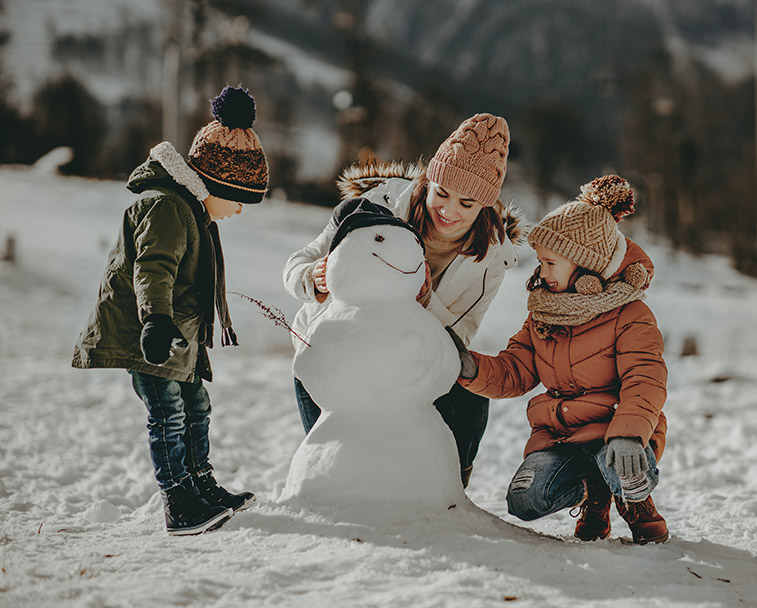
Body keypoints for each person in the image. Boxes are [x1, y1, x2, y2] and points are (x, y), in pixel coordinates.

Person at [283, 113, 525, 488]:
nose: (449, 211)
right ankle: (328, 482)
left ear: (485, 207)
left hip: (413, 352)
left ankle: (447, 487)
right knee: (336, 448)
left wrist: (424, 297)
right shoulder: (378, 204)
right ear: (427, 181)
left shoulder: (490, 258)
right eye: (441, 193)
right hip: (337, 340)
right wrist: (314, 276)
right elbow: (299, 261)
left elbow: (458, 336)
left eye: (467, 203)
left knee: (471, 394)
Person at [72, 86, 266, 536]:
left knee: (196, 405)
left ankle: (201, 485)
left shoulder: (191, 210)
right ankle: (178, 500)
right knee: (168, 413)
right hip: (152, 335)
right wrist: (156, 320)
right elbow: (153, 269)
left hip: (177, 336)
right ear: (218, 184)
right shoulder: (166, 207)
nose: (239, 211)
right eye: (240, 199)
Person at [451, 175, 670, 544]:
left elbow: (644, 380)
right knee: (524, 499)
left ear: (585, 267)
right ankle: (594, 494)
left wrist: (630, 435)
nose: (542, 272)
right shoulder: (543, 314)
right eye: (541, 261)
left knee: (624, 468)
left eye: (551, 262)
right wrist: (471, 368)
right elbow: (516, 369)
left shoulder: (630, 314)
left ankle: (635, 501)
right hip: (560, 435)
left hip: (617, 431)